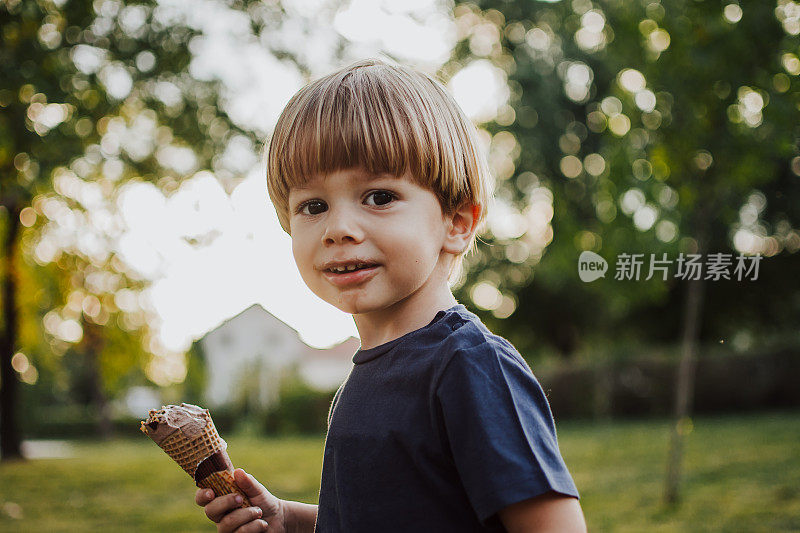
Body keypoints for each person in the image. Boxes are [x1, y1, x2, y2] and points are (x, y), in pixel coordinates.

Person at [195, 59, 587, 533]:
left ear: (456, 223)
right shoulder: (364, 379)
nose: (339, 228)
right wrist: (290, 520)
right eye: (313, 206)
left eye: (379, 197)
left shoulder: (470, 365)